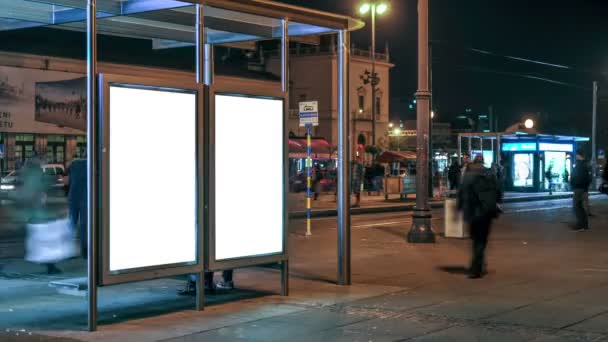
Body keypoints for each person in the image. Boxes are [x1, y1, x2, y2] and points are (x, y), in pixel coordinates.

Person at [458, 155, 502, 279]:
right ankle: (479, 263)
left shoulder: (468, 175)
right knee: (482, 239)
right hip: (487, 211)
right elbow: (499, 191)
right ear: (482, 162)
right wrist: (495, 203)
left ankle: (477, 267)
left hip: (473, 212)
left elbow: (462, 193)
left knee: (476, 239)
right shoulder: (489, 173)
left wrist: (459, 208)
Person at [67, 154, 87, 258]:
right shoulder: (90, 164)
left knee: (71, 223)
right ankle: (85, 250)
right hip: (85, 197)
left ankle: (68, 249)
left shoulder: (74, 164)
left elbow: (68, 180)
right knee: (84, 225)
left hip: (73, 196)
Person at [570, 150, 591, 231]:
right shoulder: (584, 165)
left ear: (579, 155)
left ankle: (580, 225)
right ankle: (584, 224)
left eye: (576, 155)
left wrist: (574, 185)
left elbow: (578, 177)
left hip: (579, 188)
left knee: (576, 207)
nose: (575, 157)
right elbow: (588, 178)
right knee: (580, 206)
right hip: (581, 188)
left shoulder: (580, 165)